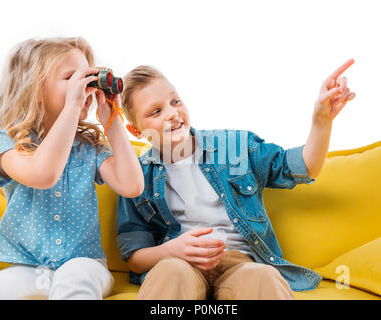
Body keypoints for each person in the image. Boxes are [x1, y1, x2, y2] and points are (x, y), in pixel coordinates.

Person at [116, 61, 355, 299]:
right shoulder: (135, 176)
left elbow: (304, 167)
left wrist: (321, 119)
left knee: (262, 277)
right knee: (170, 272)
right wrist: (171, 251)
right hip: (178, 264)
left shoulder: (236, 147)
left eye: (175, 101)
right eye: (156, 111)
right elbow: (135, 259)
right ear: (135, 131)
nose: (172, 113)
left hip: (239, 262)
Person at [0, 37, 144, 300]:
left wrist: (113, 122)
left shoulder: (90, 147)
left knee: (75, 280)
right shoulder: (6, 140)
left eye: (86, 78)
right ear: (35, 89)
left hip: (86, 264)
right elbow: (43, 174)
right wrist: (72, 106)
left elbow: (132, 187)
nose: (84, 87)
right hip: (29, 267)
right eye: (72, 78)